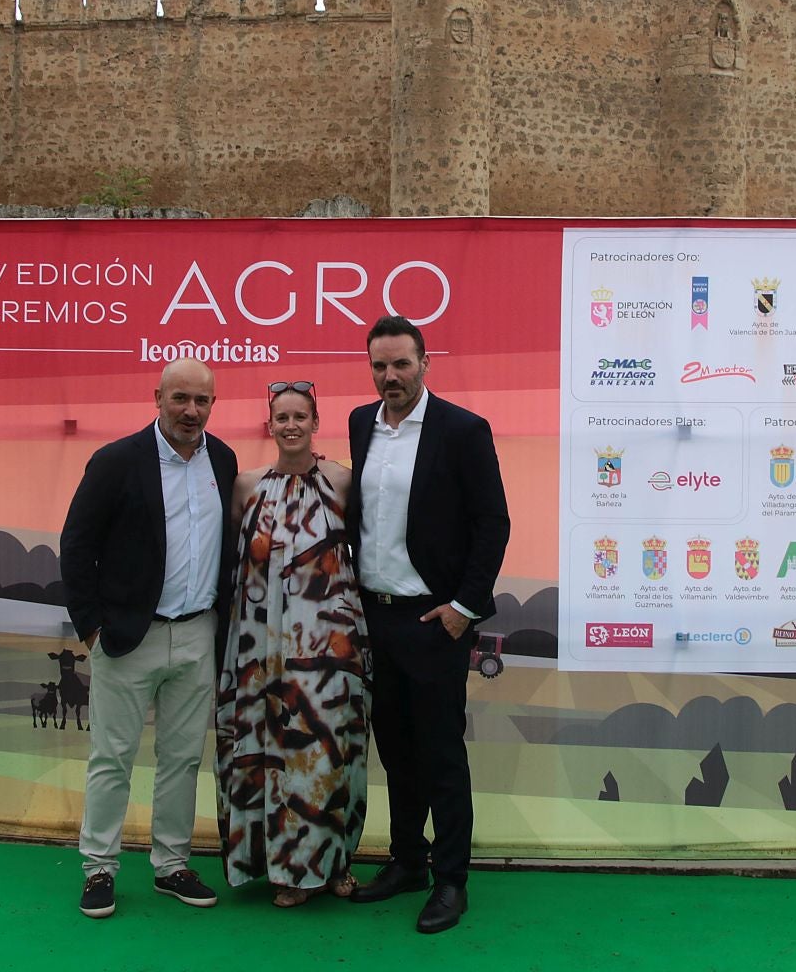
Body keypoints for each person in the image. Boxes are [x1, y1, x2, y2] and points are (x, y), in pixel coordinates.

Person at [345, 315, 510, 935]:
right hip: (375, 620)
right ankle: (407, 863)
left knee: (441, 754)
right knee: (395, 751)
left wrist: (463, 609)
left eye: (401, 365)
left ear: (424, 364)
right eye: (379, 366)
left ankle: (450, 880)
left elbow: (492, 522)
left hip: (432, 622)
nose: (390, 376)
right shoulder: (362, 424)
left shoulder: (464, 430)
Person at [59, 357, 239, 919]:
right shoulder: (116, 462)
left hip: (197, 635)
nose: (191, 411)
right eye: (180, 398)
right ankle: (98, 868)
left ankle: (171, 865)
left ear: (213, 404)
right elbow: (75, 545)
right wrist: (91, 625)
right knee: (111, 757)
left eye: (201, 401)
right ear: (156, 397)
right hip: (127, 638)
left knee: (183, 759)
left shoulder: (224, 461)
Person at [215, 382, 368, 908]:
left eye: (300, 416)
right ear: (270, 423)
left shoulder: (344, 482)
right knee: (268, 753)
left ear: (316, 420)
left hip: (330, 648)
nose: (291, 425)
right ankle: (281, 868)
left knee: (328, 753)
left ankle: (331, 863)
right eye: (282, 417)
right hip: (260, 648)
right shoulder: (246, 486)